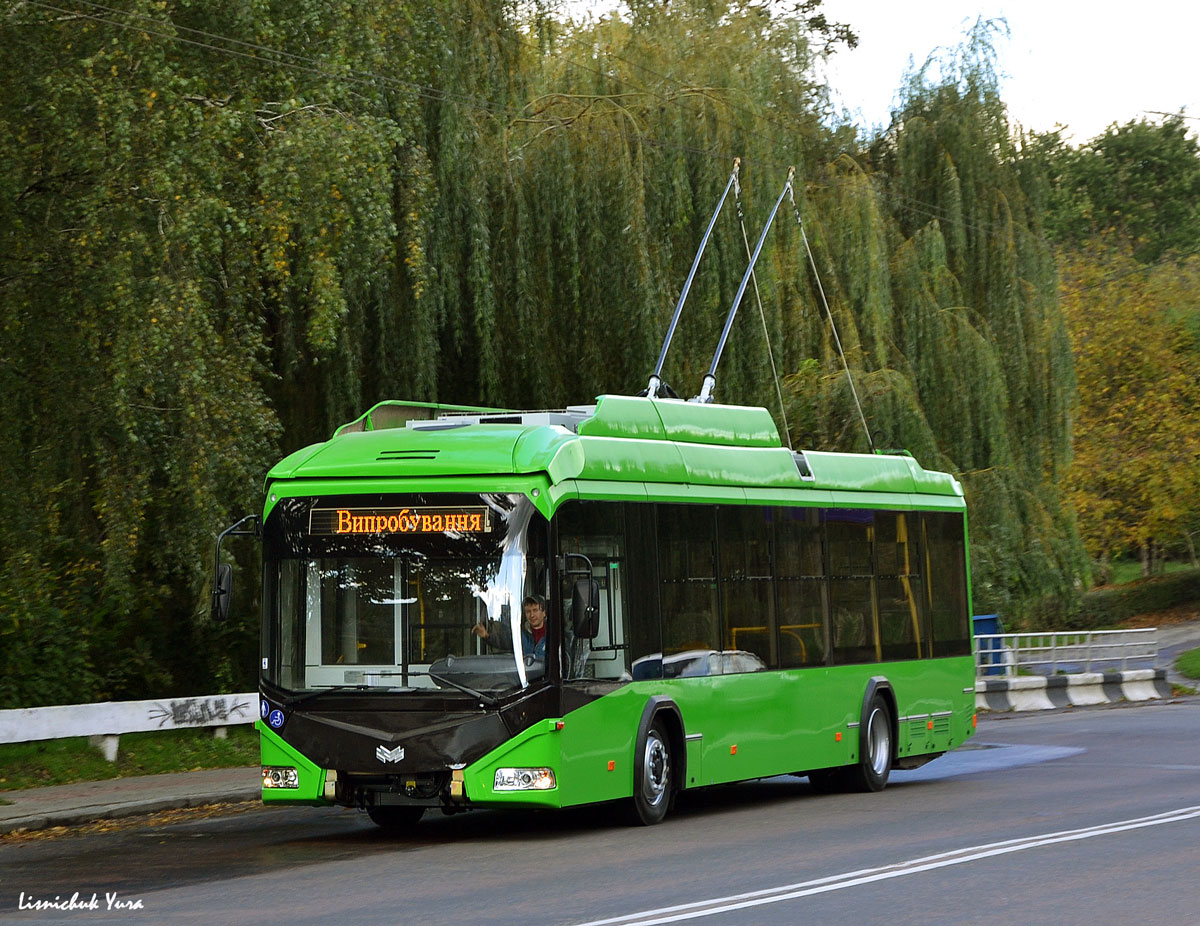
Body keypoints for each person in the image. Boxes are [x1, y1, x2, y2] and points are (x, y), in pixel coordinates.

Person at [472, 595, 548, 662]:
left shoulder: (553, 634)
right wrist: (486, 636)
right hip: (526, 677)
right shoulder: (519, 634)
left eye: (535, 610)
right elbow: (502, 640)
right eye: (528, 611)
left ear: (544, 612)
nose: (532, 615)